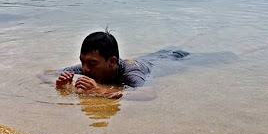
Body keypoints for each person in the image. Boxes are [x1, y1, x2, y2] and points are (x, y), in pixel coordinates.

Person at [55, 31, 189, 99]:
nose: (84, 68)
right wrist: (64, 84)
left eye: (92, 63)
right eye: (82, 61)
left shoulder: (131, 73)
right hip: (151, 58)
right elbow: (45, 74)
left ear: (112, 61)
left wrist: (101, 91)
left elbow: (148, 94)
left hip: (172, 60)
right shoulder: (88, 67)